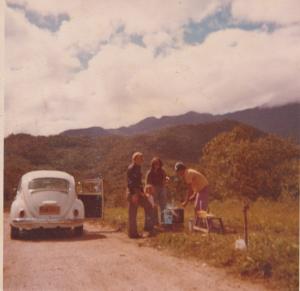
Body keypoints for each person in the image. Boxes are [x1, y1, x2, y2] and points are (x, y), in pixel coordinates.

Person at [126, 152, 154, 238]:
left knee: (149, 206)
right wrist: (134, 194)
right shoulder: (132, 168)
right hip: (133, 192)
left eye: (142, 157)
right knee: (133, 213)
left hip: (138, 192)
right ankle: (133, 234)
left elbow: (139, 182)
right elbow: (130, 182)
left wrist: (143, 192)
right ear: (134, 159)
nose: (142, 159)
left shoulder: (138, 167)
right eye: (140, 158)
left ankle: (147, 229)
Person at [146, 157, 168, 225]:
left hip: (162, 188)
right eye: (155, 163)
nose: (157, 164)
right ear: (152, 164)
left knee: (163, 205)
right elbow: (147, 182)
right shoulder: (150, 172)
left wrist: (166, 180)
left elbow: (165, 178)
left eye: (158, 163)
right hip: (153, 189)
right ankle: (155, 222)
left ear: (160, 163)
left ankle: (164, 222)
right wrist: (149, 191)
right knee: (154, 205)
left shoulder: (162, 171)